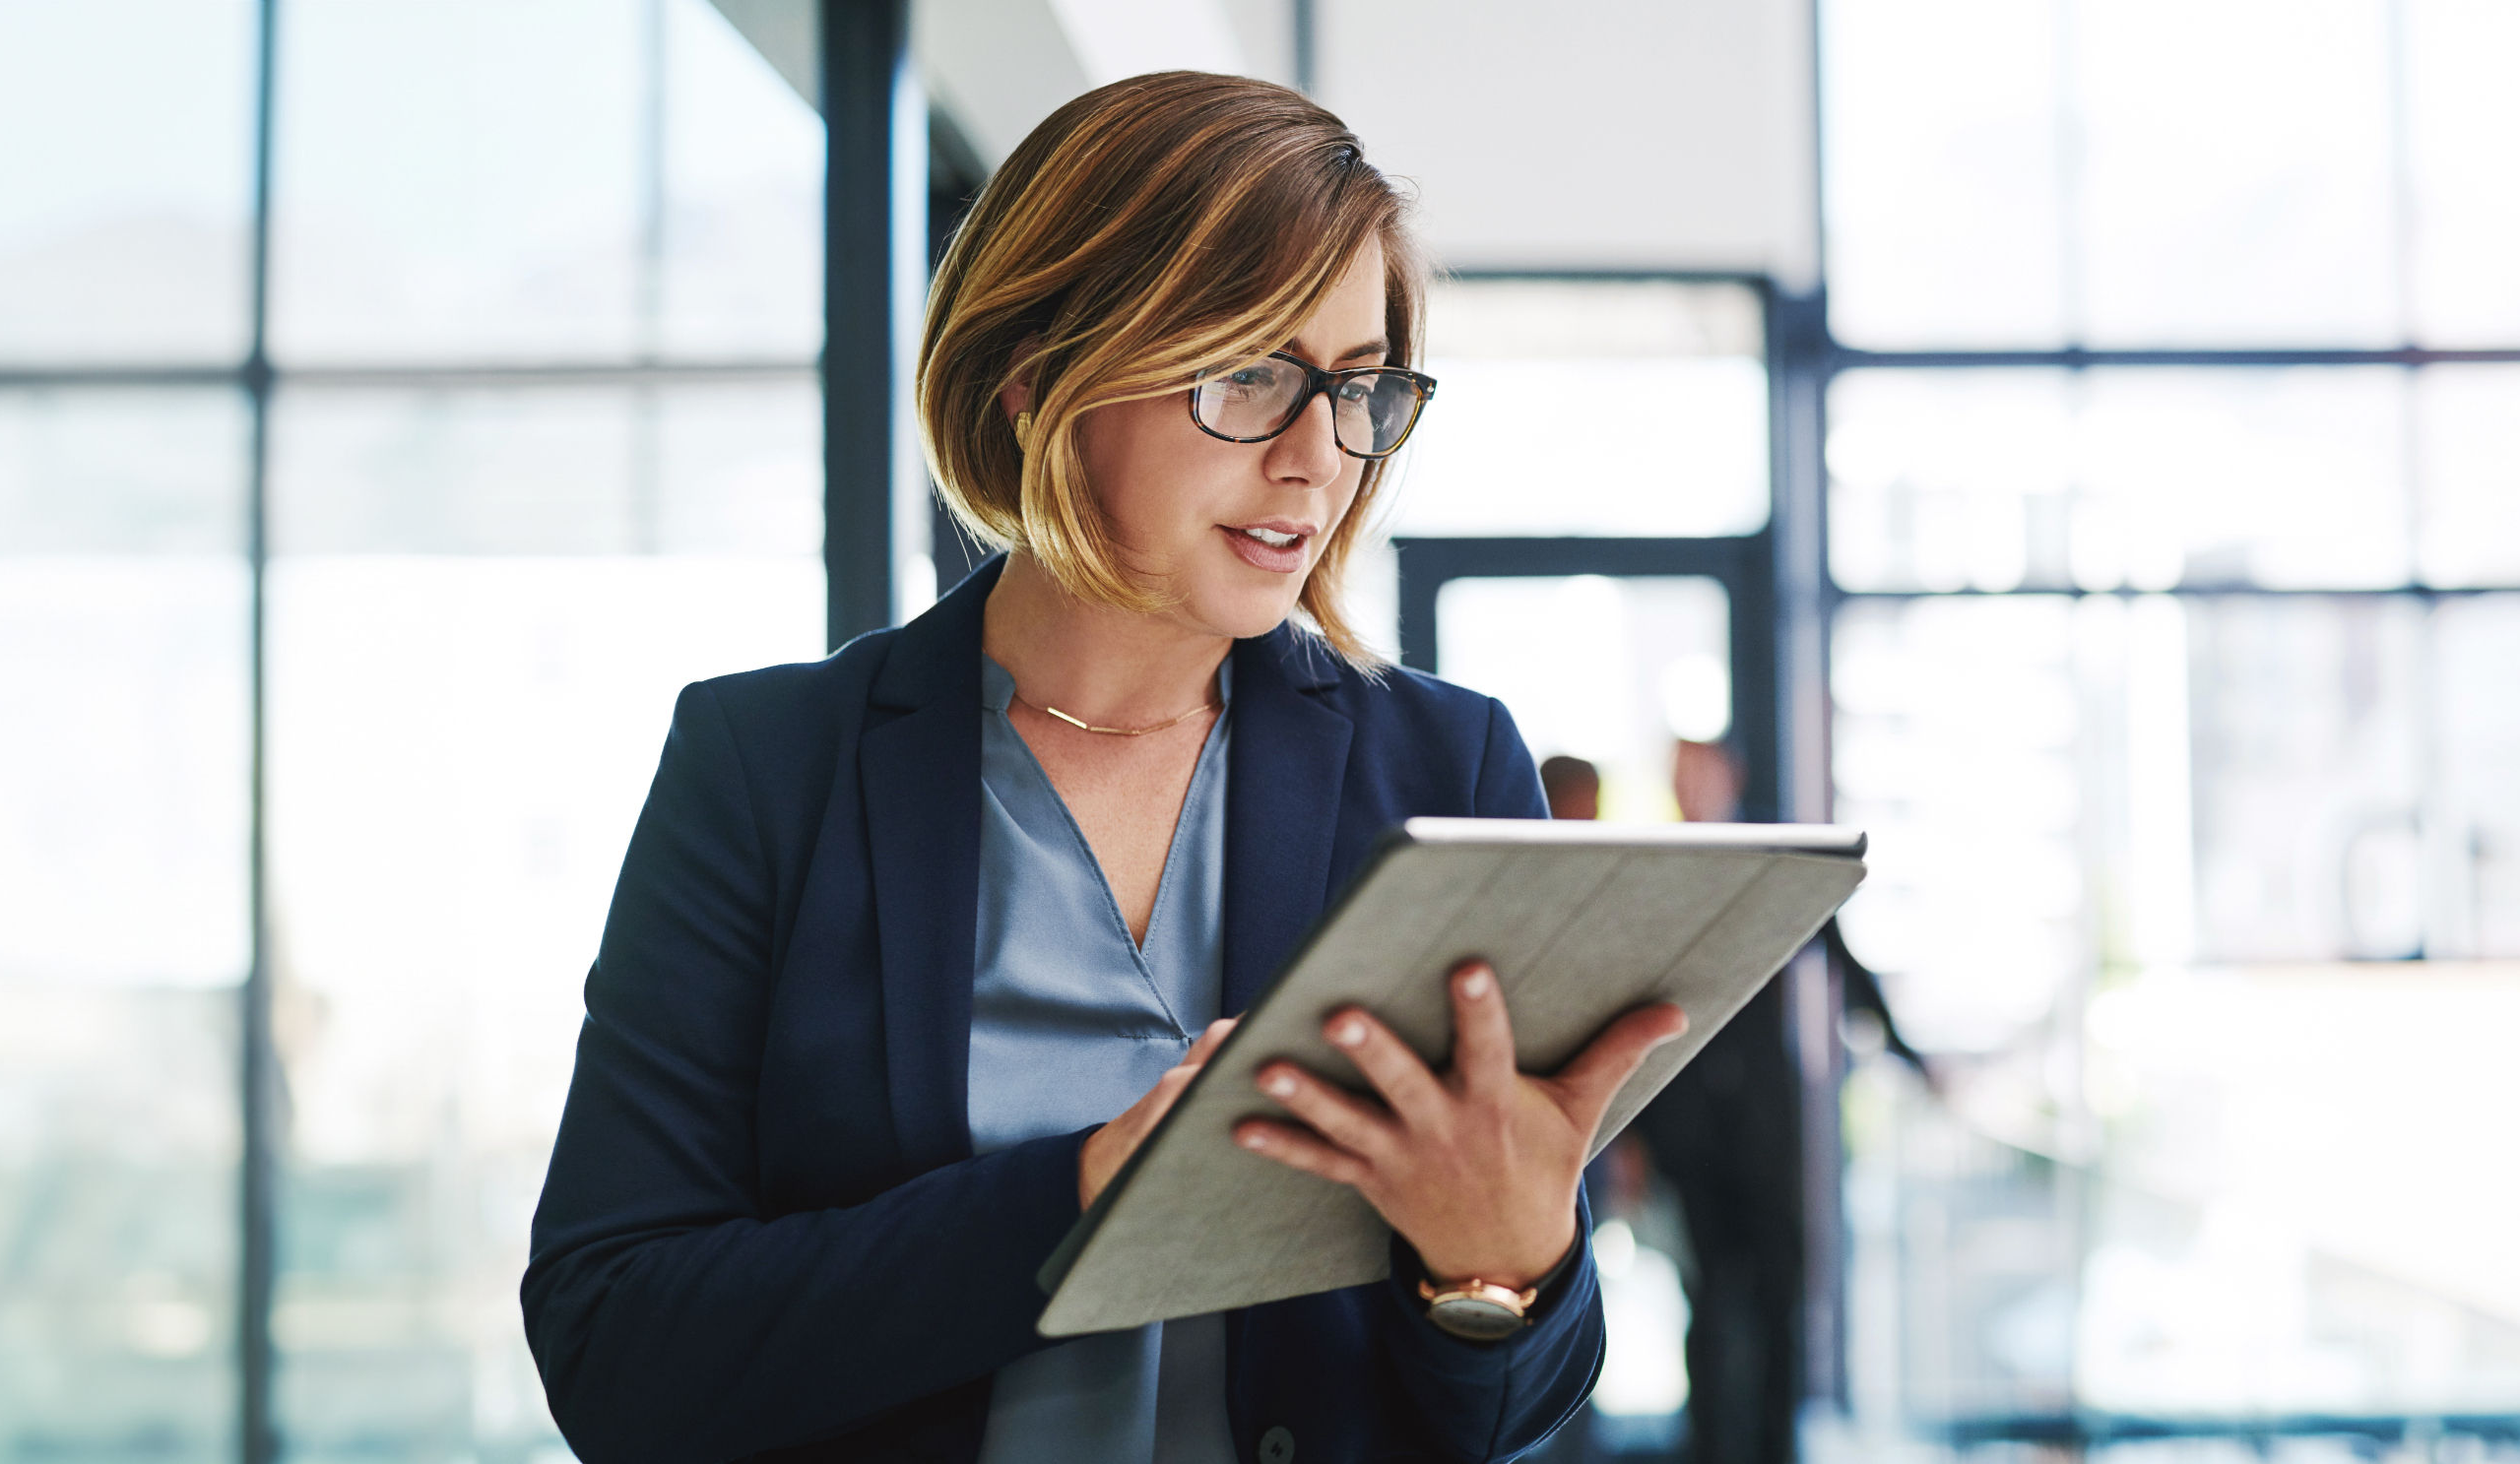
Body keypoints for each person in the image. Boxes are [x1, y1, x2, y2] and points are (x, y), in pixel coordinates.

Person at [522, 72, 1689, 1464]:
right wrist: (1087, 1197)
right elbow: (616, 1355)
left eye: (1359, 386)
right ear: (1038, 383)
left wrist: (1499, 1268)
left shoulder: (1443, 763)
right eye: (1252, 375)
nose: (1320, 456)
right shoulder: (770, 770)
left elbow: (1501, 1417)